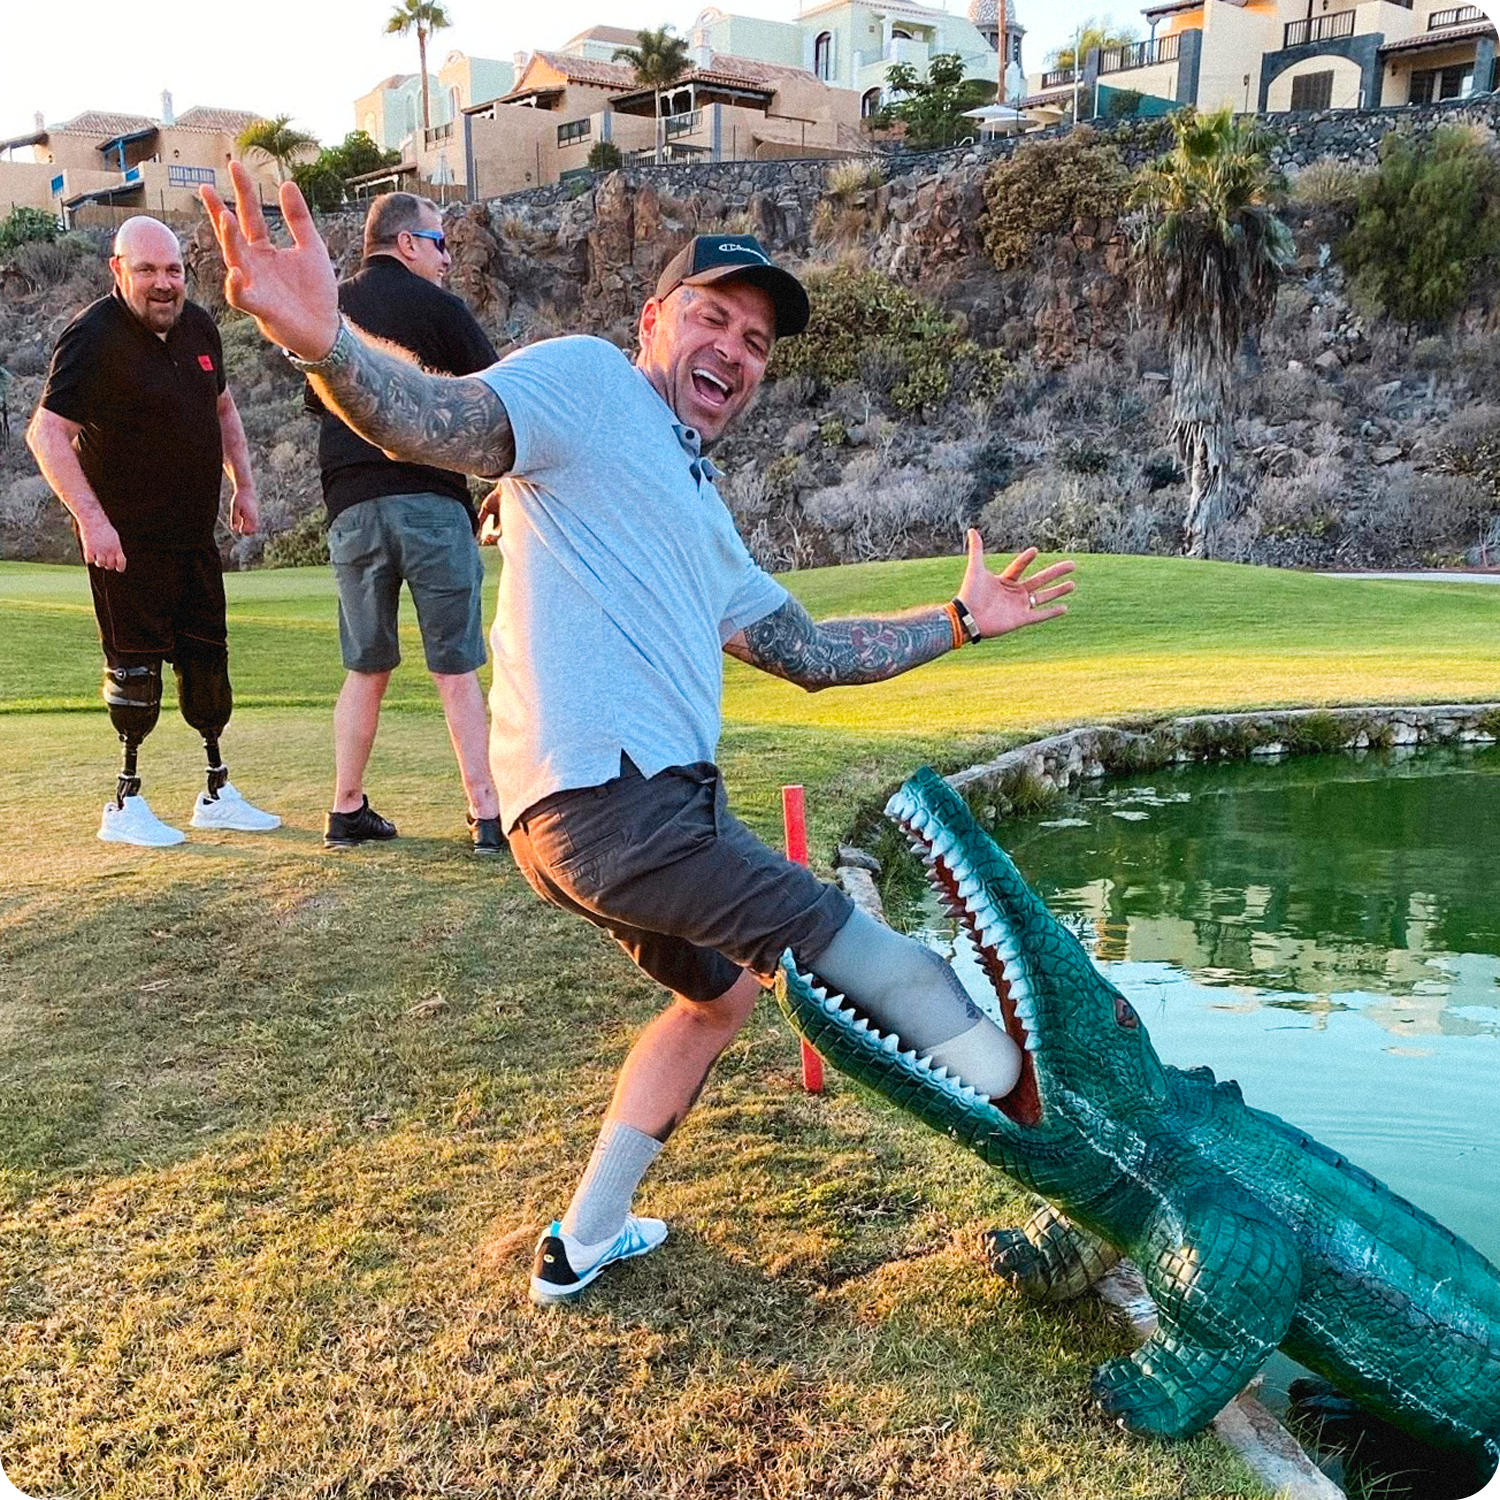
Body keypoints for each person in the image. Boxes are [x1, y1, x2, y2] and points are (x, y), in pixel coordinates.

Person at [201, 166, 1074, 1305]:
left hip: (594, 822)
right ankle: (1078, 1148)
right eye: (712, 316)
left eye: (757, 340)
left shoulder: (698, 505)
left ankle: (585, 1237)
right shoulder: (591, 384)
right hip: (620, 804)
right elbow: (437, 422)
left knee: (719, 998)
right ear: (654, 321)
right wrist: (325, 344)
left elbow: (811, 655)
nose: (734, 349)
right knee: (863, 949)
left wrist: (958, 620)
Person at [27, 215, 279, 847]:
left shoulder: (198, 326)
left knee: (208, 671)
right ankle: (124, 804)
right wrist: (92, 520)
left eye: (173, 270)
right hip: (125, 548)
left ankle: (216, 791)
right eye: (147, 270)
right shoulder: (92, 337)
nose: (163, 283)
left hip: (194, 540)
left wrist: (244, 485)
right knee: (135, 681)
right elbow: (47, 434)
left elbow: (224, 408)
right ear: (119, 270)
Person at [308, 192, 503, 855]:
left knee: (367, 666)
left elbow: (319, 398)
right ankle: (486, 815)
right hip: (429, 498)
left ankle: (345, 808)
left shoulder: (331, 312)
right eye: (440, 244)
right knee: (454, 668)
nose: (448, 259)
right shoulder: (441, 310)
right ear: (408, 243)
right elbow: (495, 395)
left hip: (352, 506)